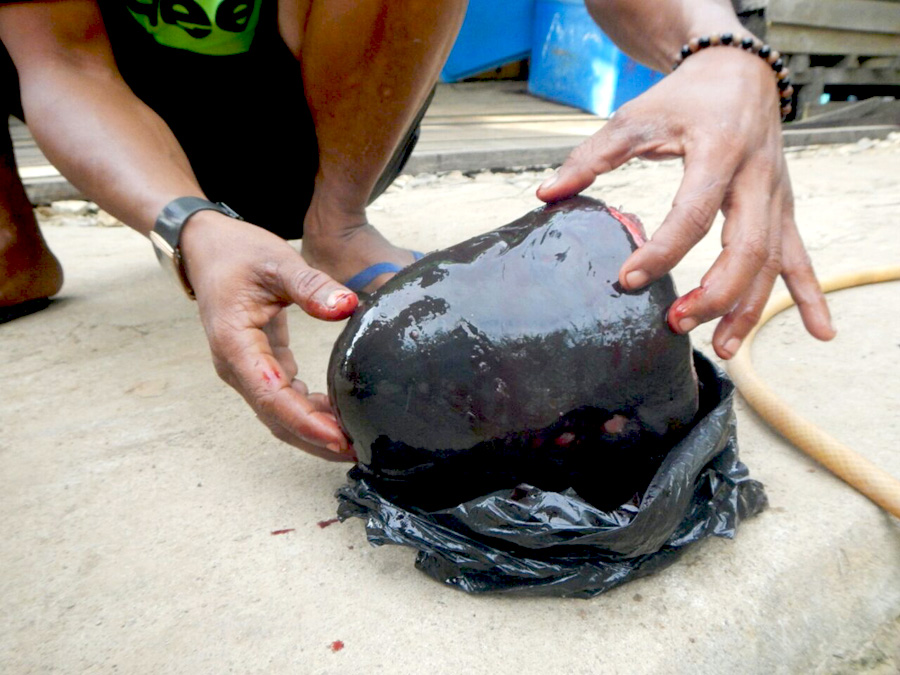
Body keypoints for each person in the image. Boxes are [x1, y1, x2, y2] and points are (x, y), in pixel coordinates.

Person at [0, 0, 834, 462]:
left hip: (304, 114)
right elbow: (61, 59)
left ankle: (335, 218)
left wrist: (717, 45)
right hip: (118, 112)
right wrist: (189, 225)